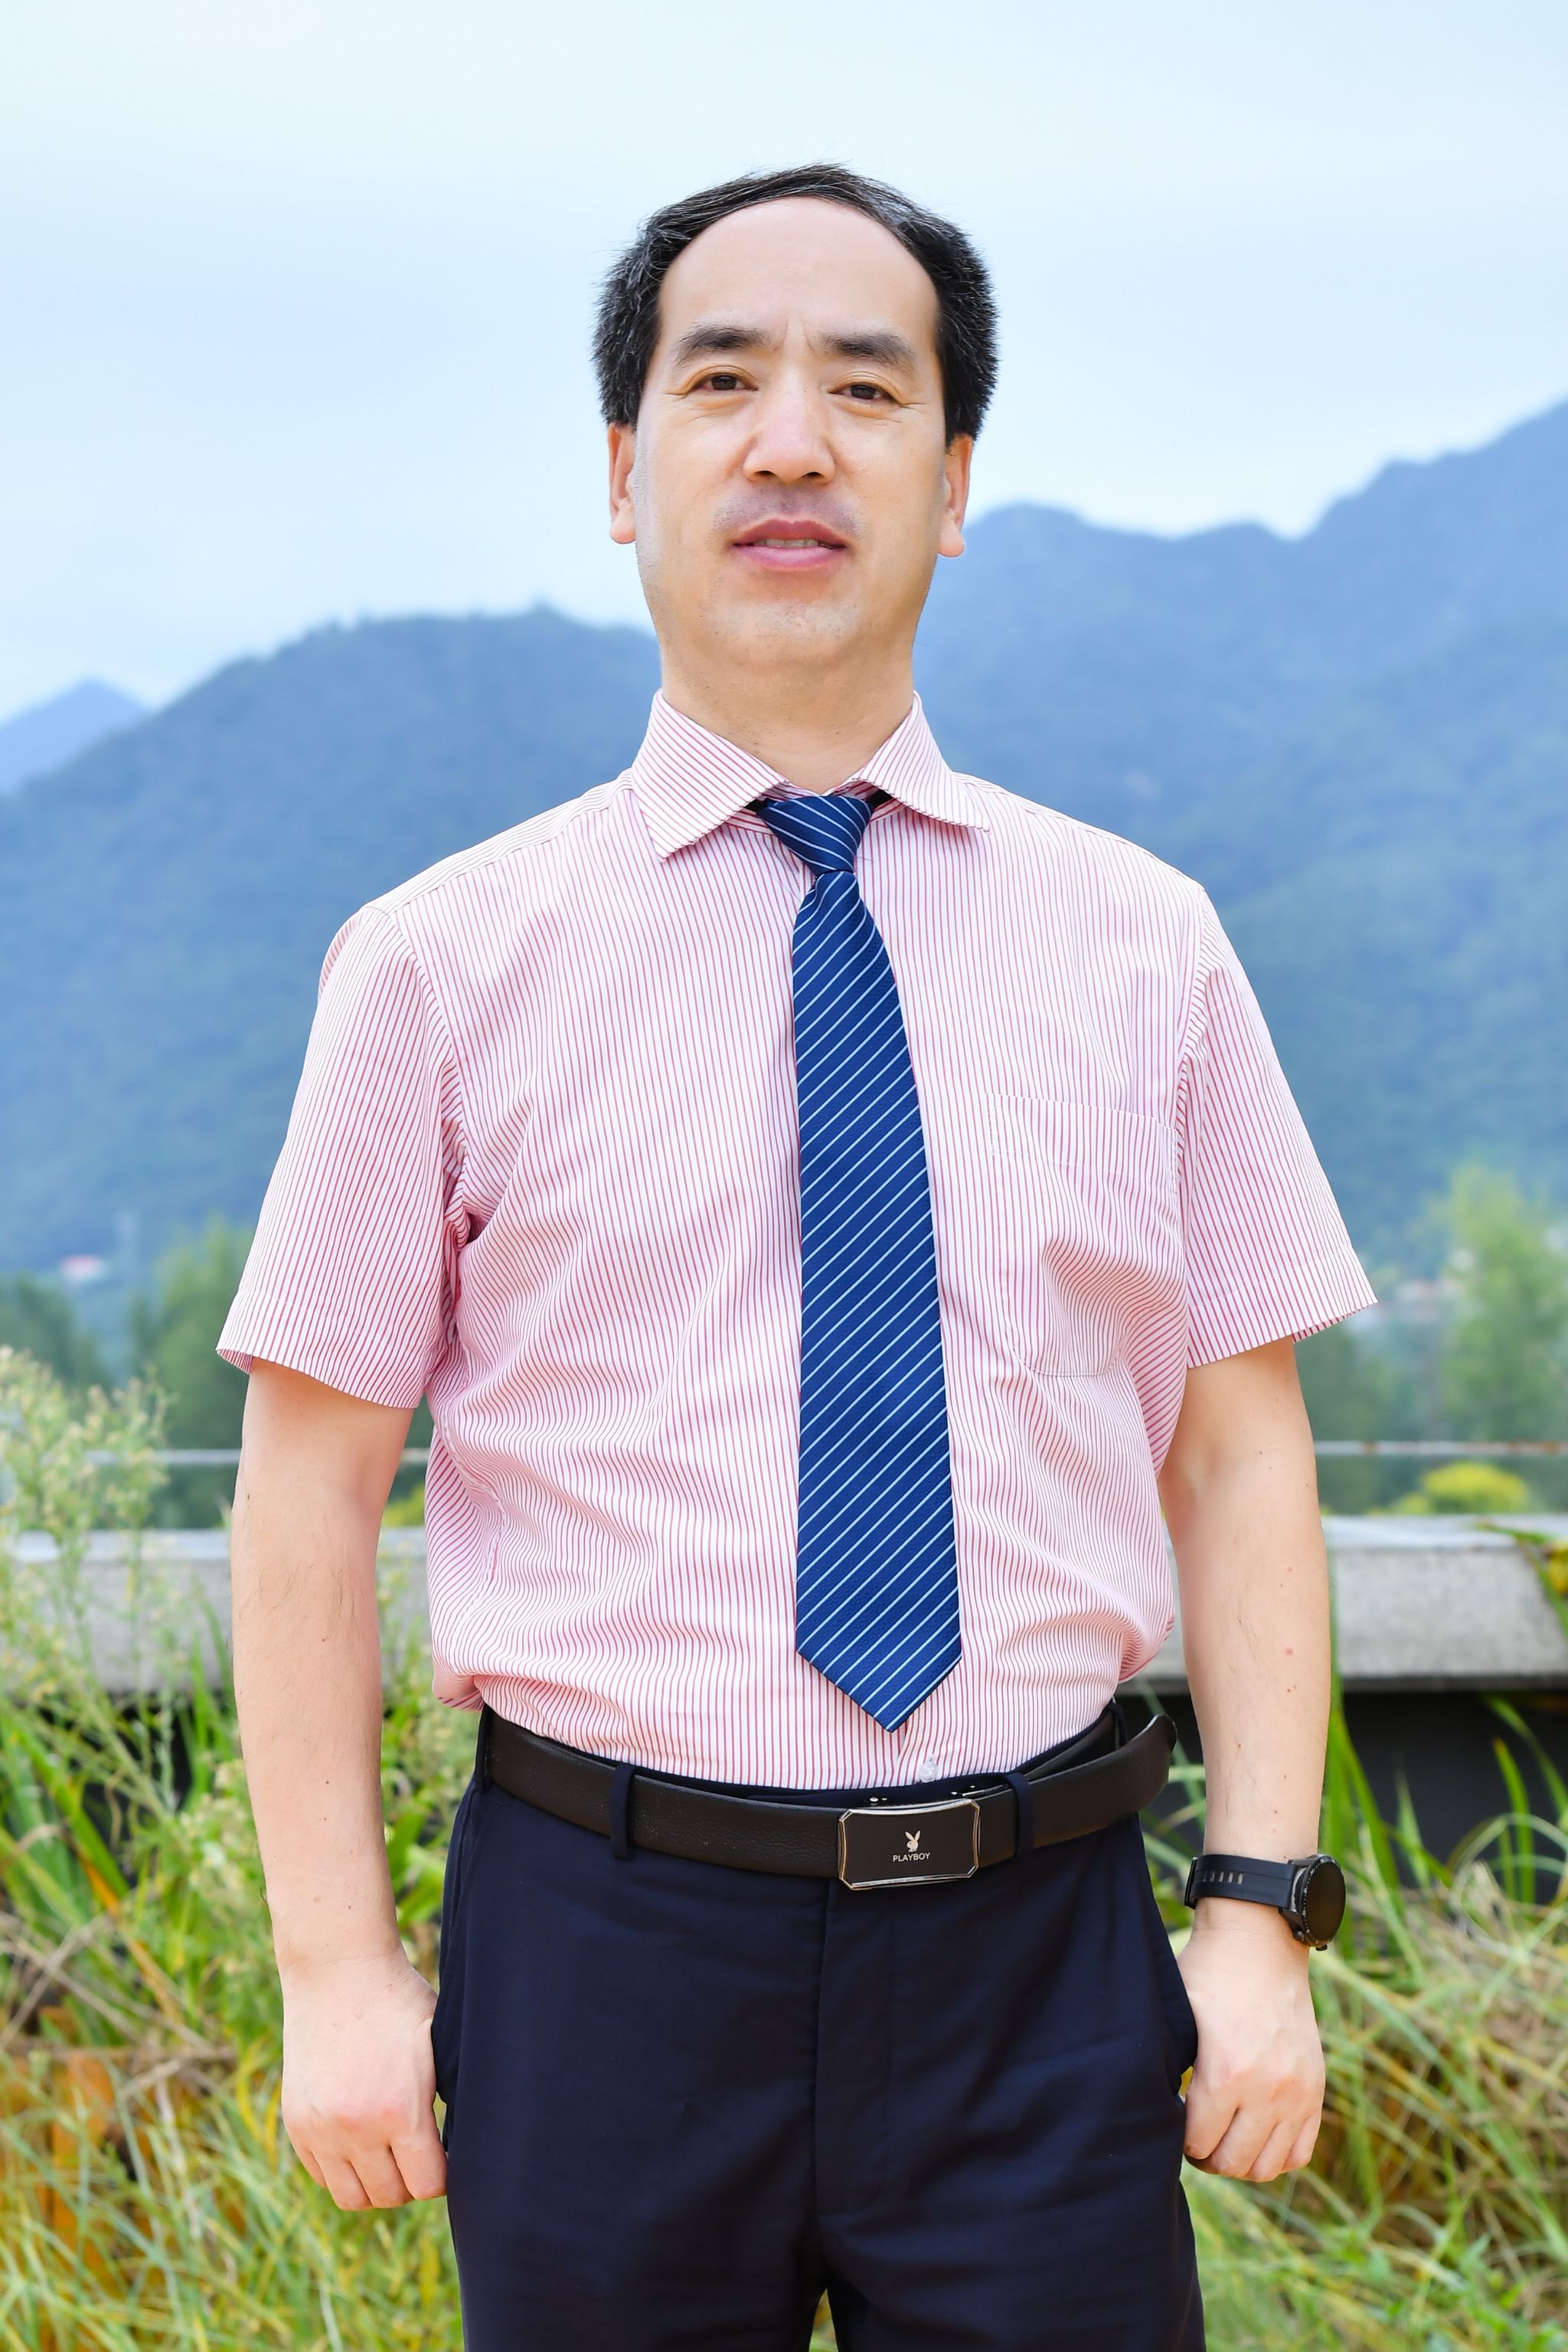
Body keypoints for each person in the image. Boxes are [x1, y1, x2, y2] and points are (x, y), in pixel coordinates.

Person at [220, 164, 1376, 2350]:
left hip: (1042, 1952)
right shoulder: (438, 963)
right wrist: (337, 1971)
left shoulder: (1145, 946)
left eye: (865, 387)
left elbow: (1239, 1453)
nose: (789, 443)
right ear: (621, 471)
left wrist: (1254, 1915)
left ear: (954, 481)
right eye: (721, 380)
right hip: (604, 1955)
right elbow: (305, 1488)